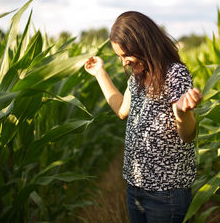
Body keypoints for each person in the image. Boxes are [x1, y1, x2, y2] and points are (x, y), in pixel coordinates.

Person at [84, 11, 202, 223]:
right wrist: (100, 72)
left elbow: (187, 135)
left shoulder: (174, 73)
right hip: (135, 188)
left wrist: (184, 114)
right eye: (119, 57)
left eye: (126, 55)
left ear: (143, 44)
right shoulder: (139, 77)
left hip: (165, 193)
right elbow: (122, 109)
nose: (124, 63)